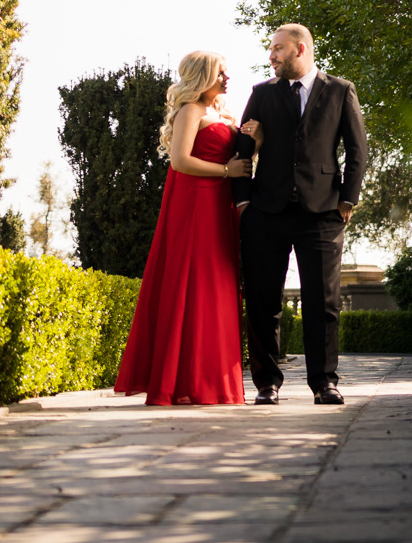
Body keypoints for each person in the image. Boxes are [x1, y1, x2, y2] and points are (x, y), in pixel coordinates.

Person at [230, 22, 368, 405]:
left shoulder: (341, 91)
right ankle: (266, 384)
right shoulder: (261, 93)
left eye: (277, 48)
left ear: (300, 49)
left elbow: (358, 151)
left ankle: (324, 381)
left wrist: (348, 199)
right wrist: (243, 203)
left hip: (323, 211)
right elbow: (243, 149)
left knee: (323, 301)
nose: (270, 56)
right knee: (262, 301)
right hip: (265, 210)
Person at [113, 51, 252, 405]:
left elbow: (238, 159)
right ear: (203, 76)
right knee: (192, 283)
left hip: (219, 206)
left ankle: (207, 378)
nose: (227, 79)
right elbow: (180, 160)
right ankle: (182, 381)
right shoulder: (191, 110)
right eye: (221, 72)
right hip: (194, 205)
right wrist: (225, 172)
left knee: (216, 283)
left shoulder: (222, 113)